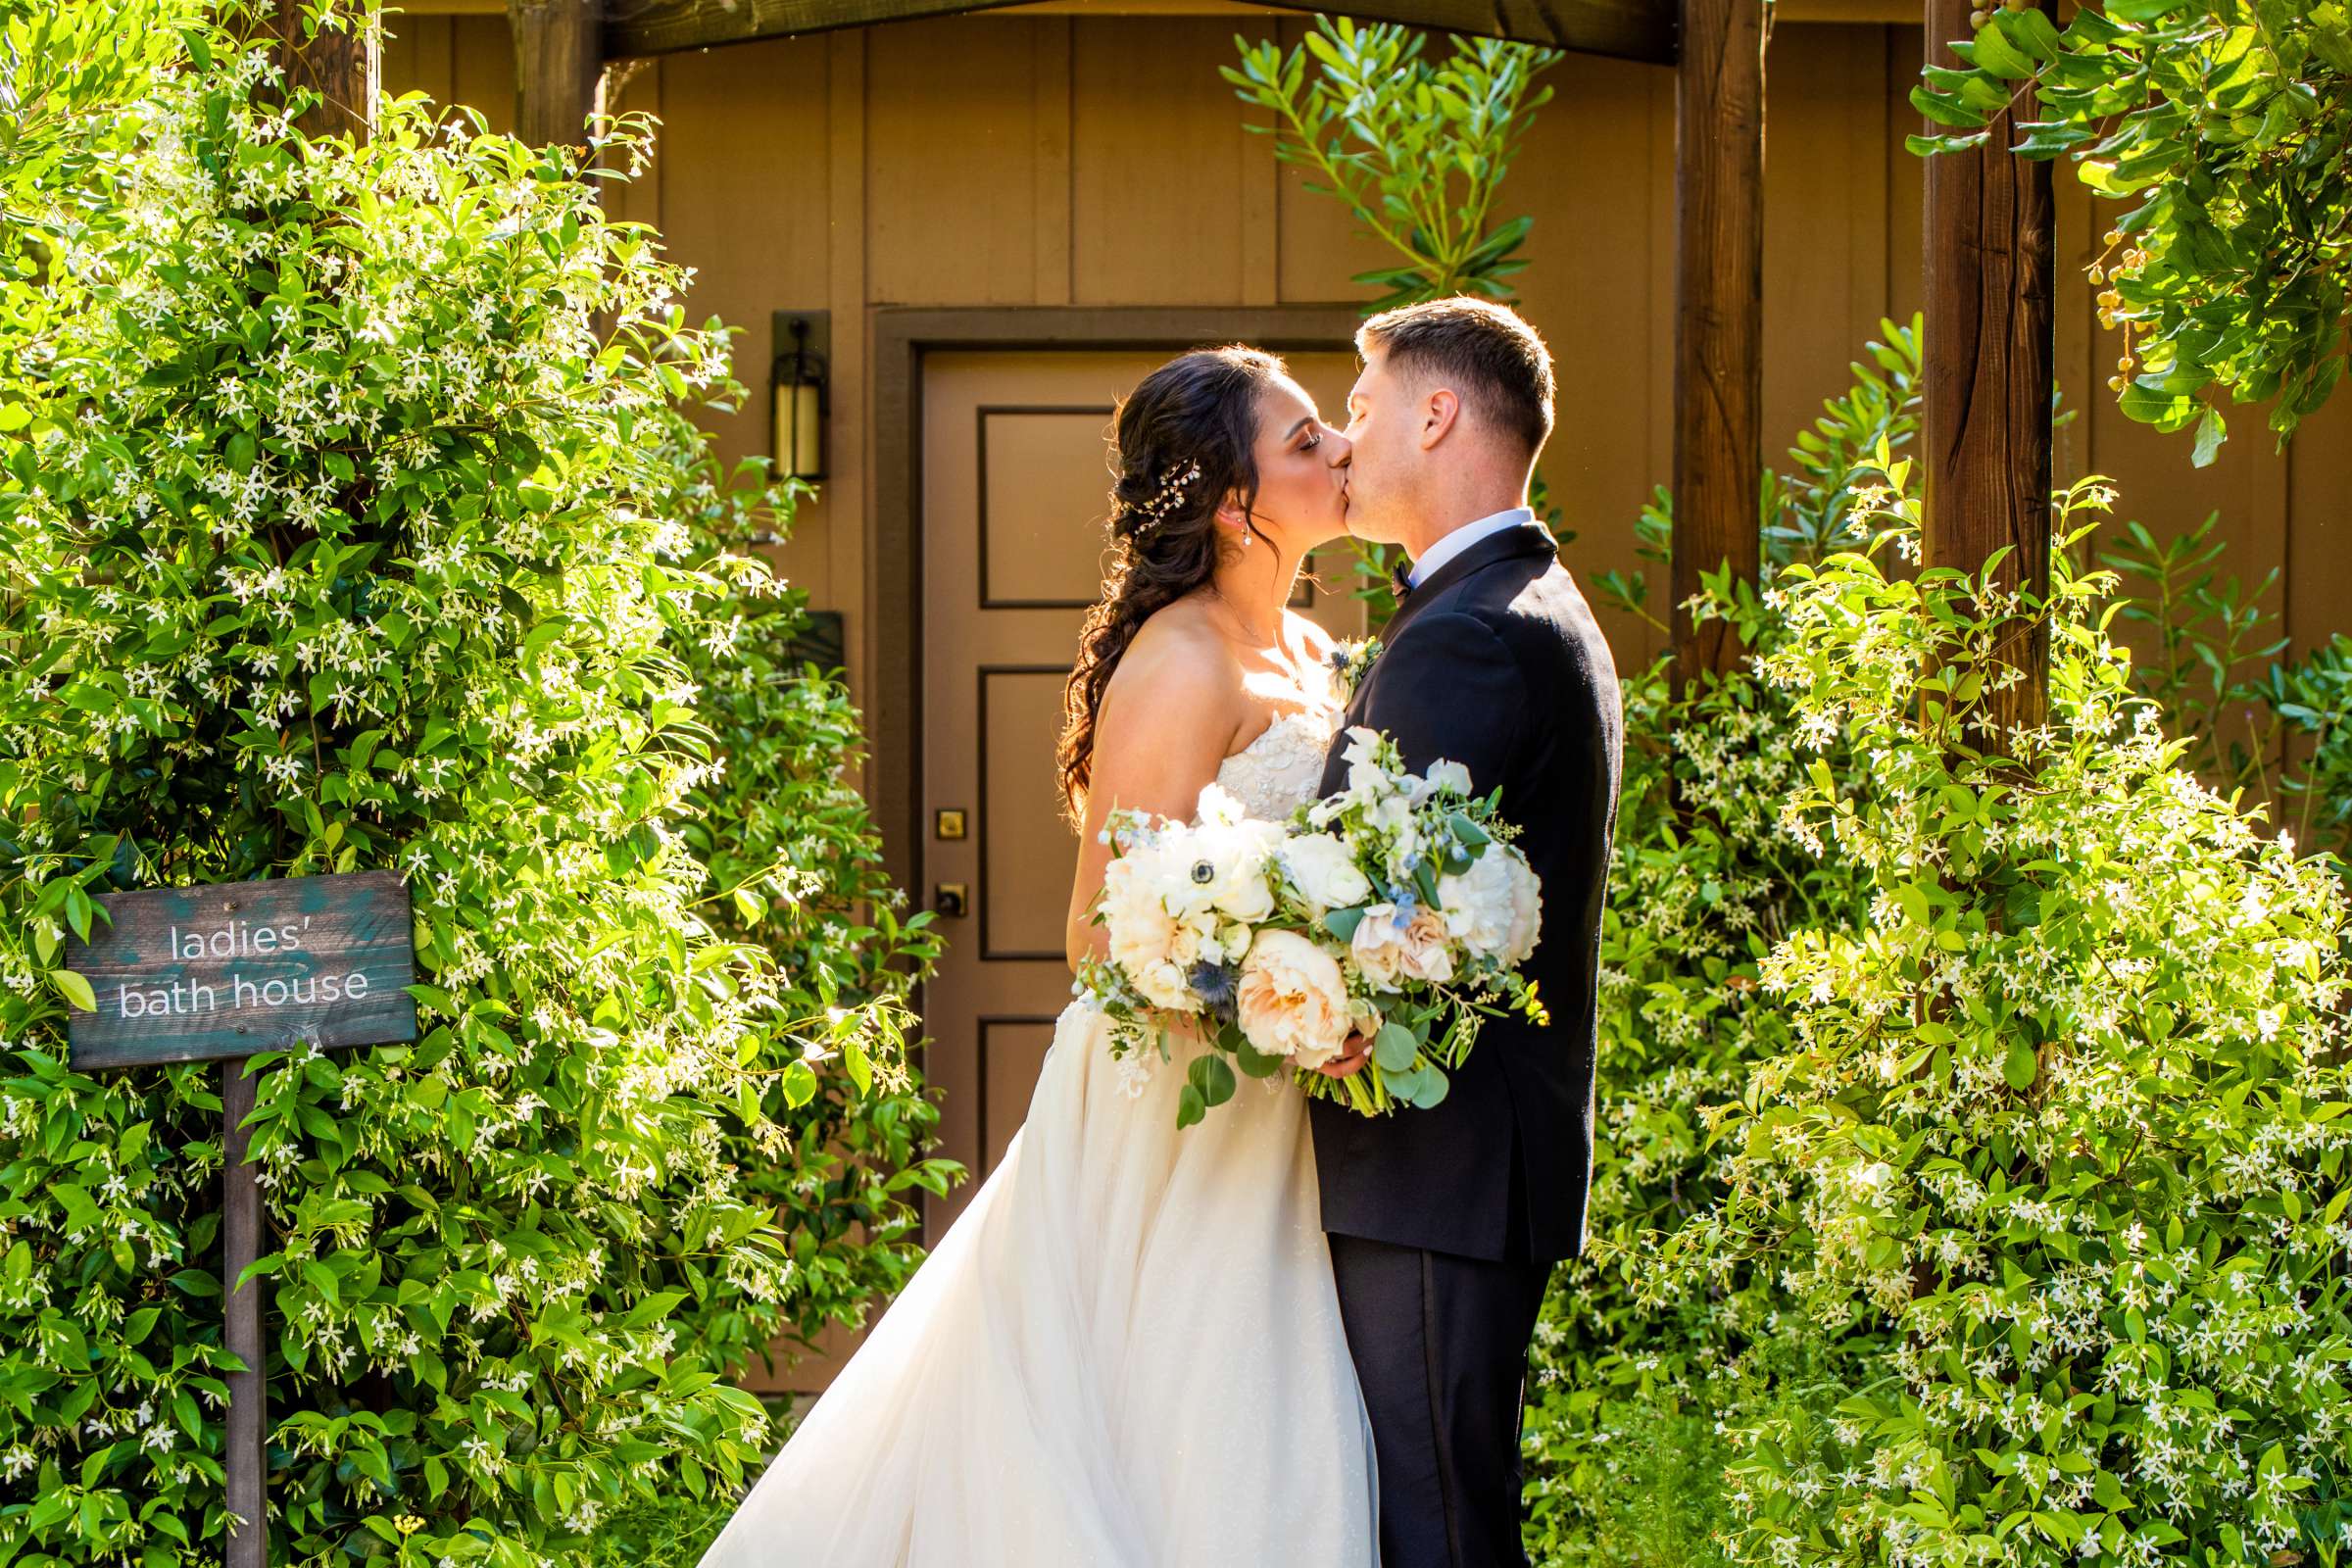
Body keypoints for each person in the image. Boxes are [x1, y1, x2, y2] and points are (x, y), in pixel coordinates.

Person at [694, 345, 1381, 1567]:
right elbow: (1101, 930)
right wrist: (1278, 1009)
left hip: (1289, 1106)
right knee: (1160, 1404)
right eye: (1307, 438)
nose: (1339, 450)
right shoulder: (1182, 662)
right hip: (1177, 1107)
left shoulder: (1317, 652)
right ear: (1233, 499)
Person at [1309, 295, 1624, 1568]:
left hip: (1436, 1169)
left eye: (1363, 404)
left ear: (1437, 413)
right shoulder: (1511, 601)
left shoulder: (1479, 632)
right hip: (1453, 1173)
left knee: (1439, 1530)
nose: (1344, 435)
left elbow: (1373, 914)